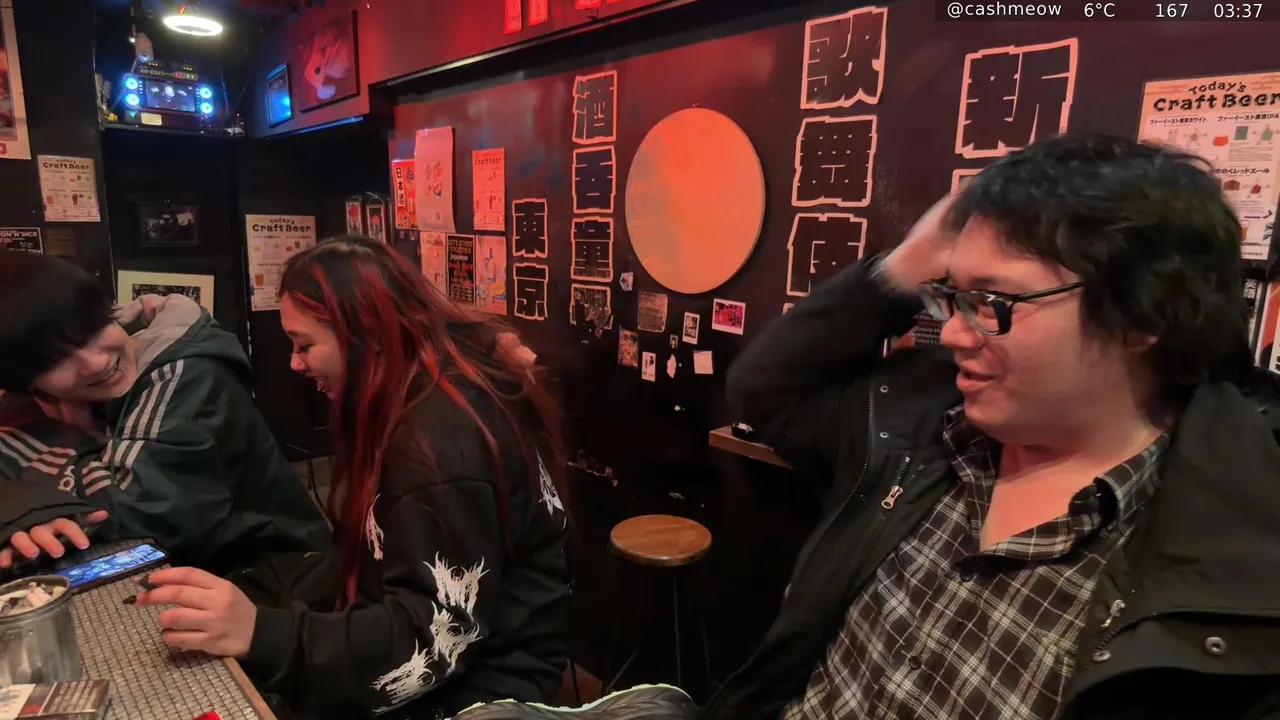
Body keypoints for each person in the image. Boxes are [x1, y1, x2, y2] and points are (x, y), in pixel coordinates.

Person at [451, 134, 1280, 720]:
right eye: (950, 298)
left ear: (1143, 316)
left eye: (993, 302)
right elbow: (765, 387)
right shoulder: (931, 433)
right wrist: (905, 267)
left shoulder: (1222, 565)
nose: (954, 333)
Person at [133, 236, 572, 719]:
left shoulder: (439, 447)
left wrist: (260, 631)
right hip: (457, 647)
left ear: (369, 334)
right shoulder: (421, 393)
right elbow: (377, 568)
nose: (294, 363)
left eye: (305, 345)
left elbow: (434, 645)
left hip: (488, 687)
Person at [0, 252, 330, 576]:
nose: (95, 363)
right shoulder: (39, 387)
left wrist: (40, 496)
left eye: (90, 332)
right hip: (195, 568)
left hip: (274, 573)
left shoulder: (186, 371)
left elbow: (142, 511)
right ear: (28, 385)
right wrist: (22, 507)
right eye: (56, 361)